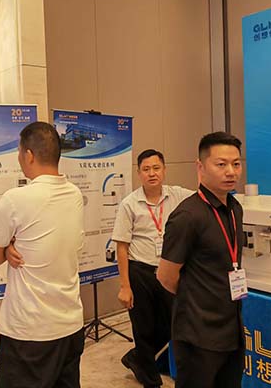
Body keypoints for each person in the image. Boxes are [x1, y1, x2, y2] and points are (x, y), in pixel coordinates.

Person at [0, 122, 85, 388]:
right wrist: (11, 245)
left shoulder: (15, 199)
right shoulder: (74, 194)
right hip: (70, 324)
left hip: (29, 331)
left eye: (19, 152)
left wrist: (6, 247)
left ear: (29, 155)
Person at [157, 132, 245, 388]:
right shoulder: (187, 216)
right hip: (198, 334)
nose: (231, 171)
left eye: (236, 164)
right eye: (221, 164)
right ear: (200, 167)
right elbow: (166, 276)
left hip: (232, 327)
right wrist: (197, 296)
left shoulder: (234, 208)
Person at [111, 149, 193, 387]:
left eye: (156, 168)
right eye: (146, 169)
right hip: (140, 271)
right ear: (139, 173)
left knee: (173, 322)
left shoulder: (177, 195)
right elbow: (122, 247)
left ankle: (136, 357)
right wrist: (125, 286)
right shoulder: (129, 204)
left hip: (168, 270)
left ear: (164, 170)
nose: (152, 173)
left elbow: (203, 197)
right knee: (143, 326)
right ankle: (149, 377)